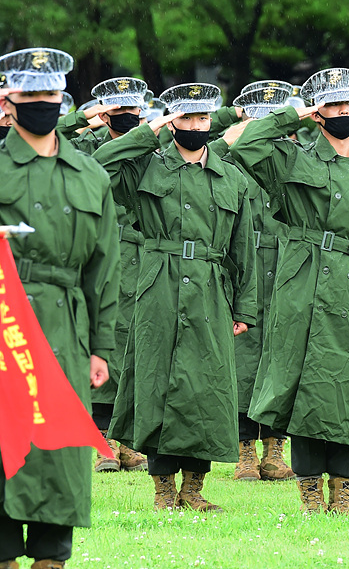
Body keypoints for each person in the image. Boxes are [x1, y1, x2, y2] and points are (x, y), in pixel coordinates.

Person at [229, 67, 349, 515]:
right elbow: (246, 145)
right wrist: (294, 115)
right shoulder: (293, 158)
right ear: (318, 111)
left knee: (345, 385)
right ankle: (309, 489)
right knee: (305, 384)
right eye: (332, 104)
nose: (343, 111)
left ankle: (343, 489)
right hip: (302, 282)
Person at [93, 82, 257, 513]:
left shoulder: (231, 176)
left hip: (211, 288)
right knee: (158, 384)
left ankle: (194, 488)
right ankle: (163, 490)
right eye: (186, 118)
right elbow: (98, 164)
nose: (196, 126)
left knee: (206, 386)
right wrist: (148, 133)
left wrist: (245, 307)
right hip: (158, 286)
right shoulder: (146, 167)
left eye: (203, 118)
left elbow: (244, 248)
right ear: (171, 121)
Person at [0, 48, 121, 569]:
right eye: (31, 95)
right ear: (8, 100)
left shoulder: (91, 175)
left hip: (66, 336)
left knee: (59, 456)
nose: (41, 103)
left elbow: (103, 269)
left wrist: (100, 349)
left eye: (50, 94)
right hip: (6, 328)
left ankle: (52, 559)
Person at [55, 78, 150, 474]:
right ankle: (101, 440)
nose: (125, 117)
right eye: (117, 110)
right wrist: (83, 119)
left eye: (132, 110)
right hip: (98, 249)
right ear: (104, 112)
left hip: (142, 253)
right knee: (101, 340)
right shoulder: (84, 147)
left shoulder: (149, 148)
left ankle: (126, 439)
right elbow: (53, 138)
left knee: (135, 346)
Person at [215, 82, 297, 484]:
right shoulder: (228, 163)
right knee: (244, 362)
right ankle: (245, 452)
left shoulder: (296, 158)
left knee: (282, 359)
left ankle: (275, 451)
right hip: (243, 270)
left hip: (287, 269)